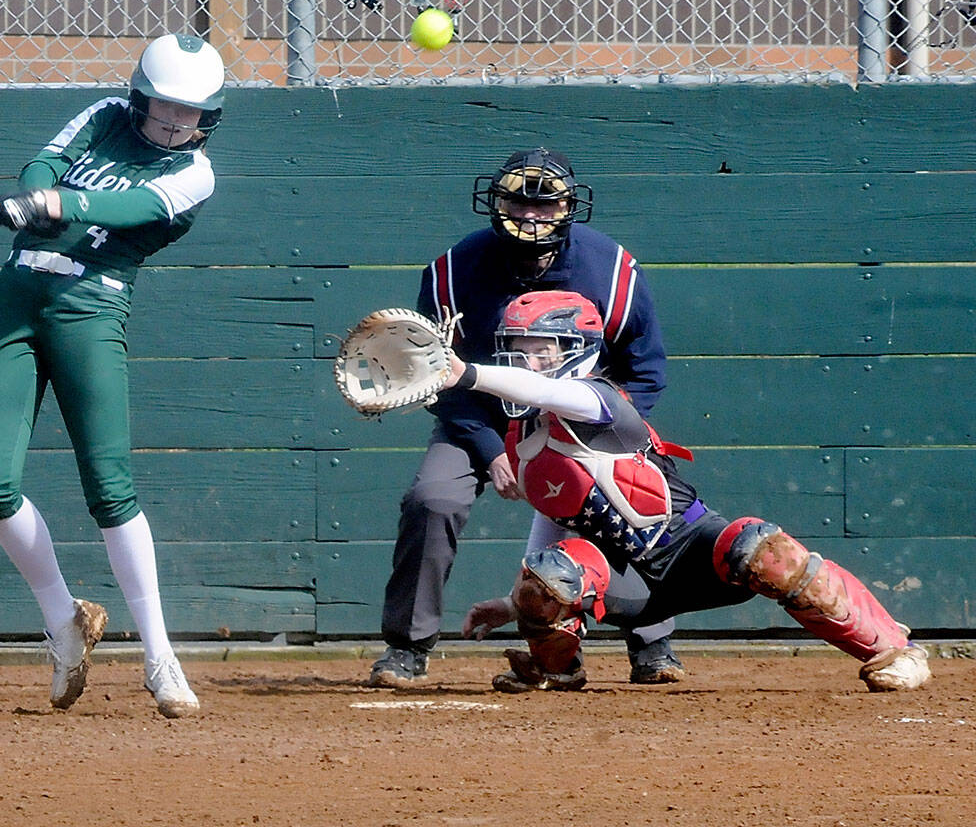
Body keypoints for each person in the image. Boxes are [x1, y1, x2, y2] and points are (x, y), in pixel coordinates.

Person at [455, 290, 931, 693]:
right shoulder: (524, 440)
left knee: (762, 547)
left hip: (691, 554)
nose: (526, 361)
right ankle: (556, 669)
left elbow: (547, 392)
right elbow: (554, 517)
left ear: (580, 351)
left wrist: (462, 374)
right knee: (546, 573)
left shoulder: (599, 400)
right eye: (517, 348)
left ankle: (895, 650)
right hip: (630, 584)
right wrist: (518, 601)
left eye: (543, 350)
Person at [0, 33, 226, 718]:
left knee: (110, 490)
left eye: (191, 112)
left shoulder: (196, 174)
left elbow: (131, 209)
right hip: (18, 296)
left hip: (92, 305)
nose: (175, 122)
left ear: (209, 117)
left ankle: (160, 657)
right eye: (165, 106)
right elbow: (45, 163)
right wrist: (32, 196)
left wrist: (60, 206)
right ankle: (63, 621)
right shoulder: (106, 113)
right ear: (141, 96)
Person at [369, 148, 685, 688]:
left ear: (569, 208)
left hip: (582, 420)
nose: (531, 215)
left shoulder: (611, 270)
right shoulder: (453, 272)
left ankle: (652, 644)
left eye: (547, 204)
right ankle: (407, 648)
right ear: (495, 205)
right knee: (433, 499)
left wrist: (608, 433)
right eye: (518, 202)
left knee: (630, 500)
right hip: (482, 417)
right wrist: (492, 452)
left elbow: (644, 368)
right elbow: (436, 376)